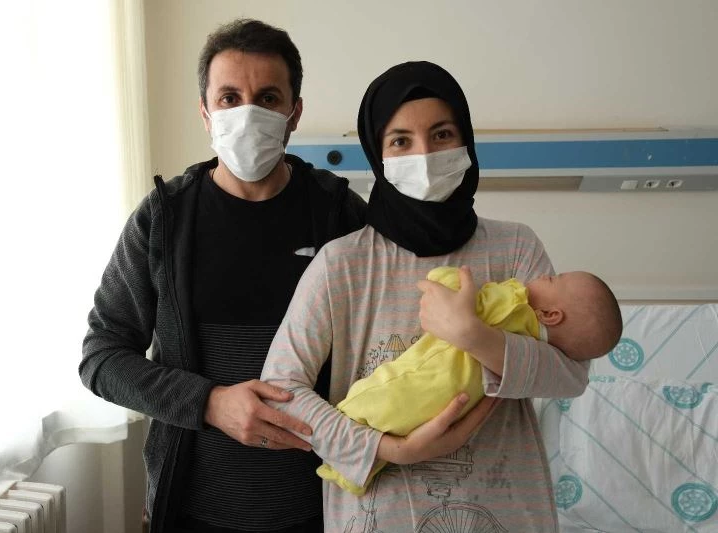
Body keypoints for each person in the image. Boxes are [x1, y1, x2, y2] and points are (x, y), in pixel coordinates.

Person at [260, 61, 596, 531]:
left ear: (466, 141)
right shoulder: (342, 264)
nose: (424, 155)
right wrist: (391, 449)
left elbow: (570, 375)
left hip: (507, 513)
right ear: (377, 154)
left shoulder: (516, 247)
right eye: (401, 141)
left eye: (441, 135)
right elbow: (280, 390)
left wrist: (475, 337)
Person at [79, 19, 373, 533]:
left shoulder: (338, 215)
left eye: (268, 98)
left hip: (323, 509)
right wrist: (209, 403)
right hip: (191, 509)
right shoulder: (163, 220)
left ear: (294, 113)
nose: (248, 114)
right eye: (230, 98)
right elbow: (101, 357)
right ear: (205, 112)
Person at [317, 265, 622, 495]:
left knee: (375, 401)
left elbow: (575, 380)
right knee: (399, 419)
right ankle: (351, 471)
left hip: (427, 380)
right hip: (451, 402)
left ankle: (344, 460)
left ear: (551, 315)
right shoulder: (535, 345)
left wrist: (451, 284)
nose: (543, 275)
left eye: (553, 279)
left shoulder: (515, 302)